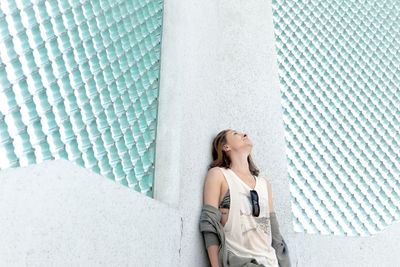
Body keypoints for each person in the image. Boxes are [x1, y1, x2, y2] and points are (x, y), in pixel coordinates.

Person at [199, 129, 291, 267]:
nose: (244, 134)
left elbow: (275, 234)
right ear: (226, 147)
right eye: (235, 134)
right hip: (240, 262)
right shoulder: (218, 175)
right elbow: (209, 225)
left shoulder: (264, 183)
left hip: (271, 262)